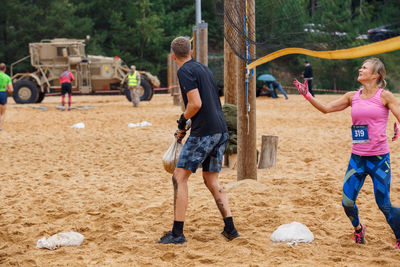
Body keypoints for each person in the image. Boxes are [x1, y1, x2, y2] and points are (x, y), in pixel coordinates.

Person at [294, 57, 400, 249]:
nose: (360, 70)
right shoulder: (353, 96)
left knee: (383, 205)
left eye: (364, 68)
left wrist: (398, 125)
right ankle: (359, 228)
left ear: (376, 75)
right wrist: (308, 96)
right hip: (357, 158)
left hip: (378, 159)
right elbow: (326, 109)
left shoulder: (385, 96)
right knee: (347, 202)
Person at [157, 36, 239, 244]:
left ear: (174, 56)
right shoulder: (203, 68)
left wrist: (182, 119)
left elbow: (195, 104)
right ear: (191, 52)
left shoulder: (184, 71)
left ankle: (177, 233)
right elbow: (208, 104)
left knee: (179, 177)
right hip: (220, 130)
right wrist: (183, 129)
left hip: (205, 132)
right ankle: (230, 228)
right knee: (211, 180)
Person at [0, 63, 14, 131]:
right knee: (2, 113)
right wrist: (8, 91)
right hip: (3, 93)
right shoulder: (7, 77)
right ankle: (0, 127)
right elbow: (11, 90)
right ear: (5, 69)